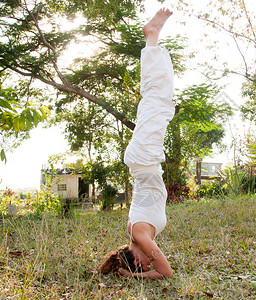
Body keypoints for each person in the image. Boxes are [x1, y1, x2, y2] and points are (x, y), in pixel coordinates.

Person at [96, 8, 174, 279]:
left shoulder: (139, 232)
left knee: (157, 99)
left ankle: (151, 36)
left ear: (134, 256)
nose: (148, 264)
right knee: (159, 102)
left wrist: (132, 277)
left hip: (144, 159)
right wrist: (135, 273)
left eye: (142, 264)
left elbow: (166, 273)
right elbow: (160, 270)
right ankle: (152, 39)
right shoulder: (137, 233)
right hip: (143, 159)